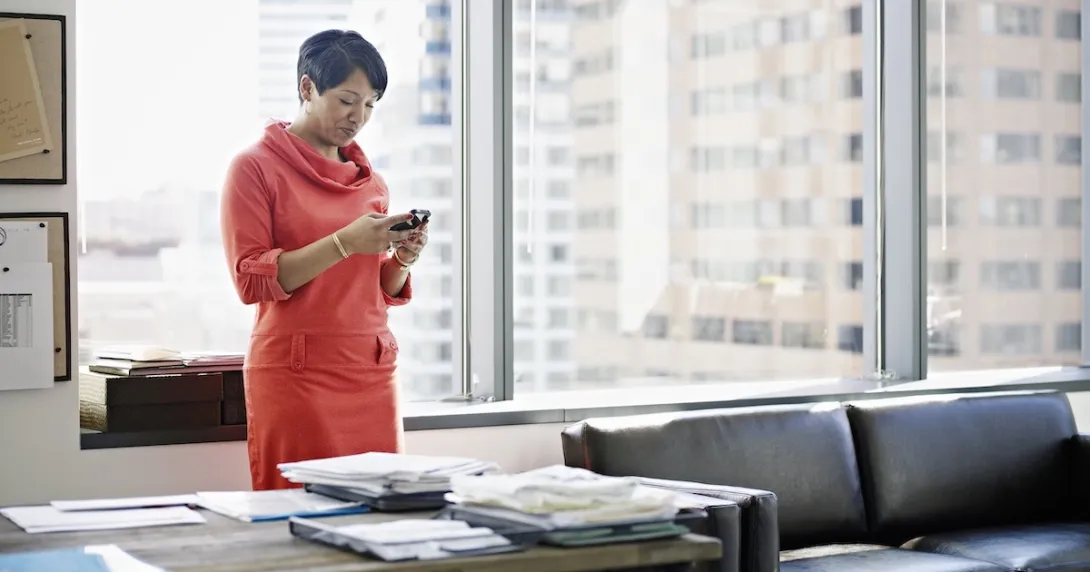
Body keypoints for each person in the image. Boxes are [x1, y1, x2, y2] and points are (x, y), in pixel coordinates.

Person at [220, 29, 427, 490]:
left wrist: (403, 259)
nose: (359, 117)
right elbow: (249, 281)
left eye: (371, 104)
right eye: (348, 100)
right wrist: (345, 242)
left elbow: (374, 289)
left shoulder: (371, 184)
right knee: (297, 518)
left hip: (371, 370)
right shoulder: (254, 168)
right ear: (307, 88)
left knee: (380, 516)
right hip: (297, 375)